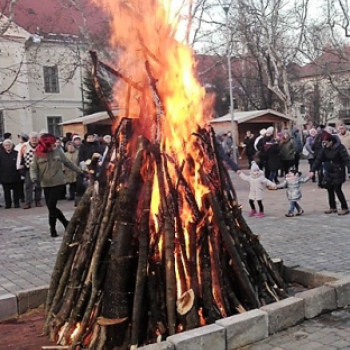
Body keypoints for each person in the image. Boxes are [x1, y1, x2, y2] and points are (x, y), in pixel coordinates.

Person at [30, 134, 84, 237]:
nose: (53, 146)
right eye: (51, 144)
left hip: (58, 182)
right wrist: (34, 179)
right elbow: (33, 168)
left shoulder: (58, 152)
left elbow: (68, 163)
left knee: (51, 205)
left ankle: (52, 229)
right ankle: (65, 222)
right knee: (51, 207)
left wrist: (80, 171)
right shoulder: (38, 154)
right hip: (45, 183)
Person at [309, 131, 350, 216]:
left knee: (337, 188)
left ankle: (344, 207)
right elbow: (318, 159)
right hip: (329, 170)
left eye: (326, 143)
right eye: (323, 143)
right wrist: (312, 170)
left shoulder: (340, 147)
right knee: (329, 188)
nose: (325, 144)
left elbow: (347, 160)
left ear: (331, 141)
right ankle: (332, 207)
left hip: (338, 170)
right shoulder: (324, 148)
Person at [17, 132, 42, 209]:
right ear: (29, 139)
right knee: (28, 186)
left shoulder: (41, 146)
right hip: (28, 169)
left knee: (39, 185)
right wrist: (19, 167)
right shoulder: (24, 147)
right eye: (33, 138)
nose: (34, 139)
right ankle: (28, 202)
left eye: (35, 138)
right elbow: (20, 157)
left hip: (39, 168)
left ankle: (38, 201)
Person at [0, 139, 21, 209]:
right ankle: (8, 204)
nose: (8, 146)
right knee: (6, 192)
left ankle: (16, 203)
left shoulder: (16, 153)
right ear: (3, 146)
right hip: (4, 176)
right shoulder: (0, 154)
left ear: (12, 146)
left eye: (9, 145)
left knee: (16, 191)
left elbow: (20, 162)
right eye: (6, 145)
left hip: (15, 175)